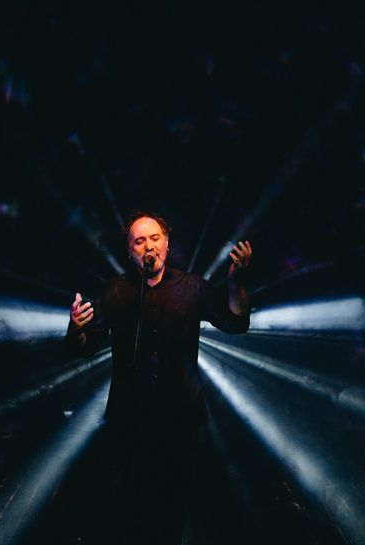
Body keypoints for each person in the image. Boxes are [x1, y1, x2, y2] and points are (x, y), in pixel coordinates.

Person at [65, 210, 252, 545]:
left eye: (154, 238)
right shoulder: (115, 291)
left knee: (172, 504)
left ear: (166, 245)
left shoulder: (192, 287)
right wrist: (76, 329)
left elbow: (235, 323)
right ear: (130, 251)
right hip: (129, 417)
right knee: (130, 505)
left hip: (180, 416)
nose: (148, 246)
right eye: (139, 241)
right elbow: (83, 348)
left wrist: (236, 282)